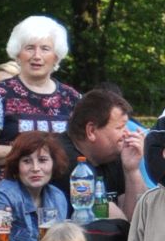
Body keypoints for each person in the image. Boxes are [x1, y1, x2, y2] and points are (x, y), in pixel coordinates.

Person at [0, 17, 79, 169]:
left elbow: (85, 148)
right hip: (13, 189)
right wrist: (34, 153)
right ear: (17, 54)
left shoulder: (72, 97)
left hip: (63, 190)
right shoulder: (0, 93)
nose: (36, 56)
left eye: (45, 49)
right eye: (29, 48)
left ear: (56, 57)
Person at [58, 86, 146, 220]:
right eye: (120, 127)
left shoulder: (111, 155)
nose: (127, 133)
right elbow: (117, 223)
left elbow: (139, 218)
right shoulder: (63, 158)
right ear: (91, 131)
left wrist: (132, 170)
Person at [0, 132, 70, 241]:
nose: (35, 168)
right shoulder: (2, 198)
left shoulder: (57, 196)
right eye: (27, 161)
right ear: (17, 166)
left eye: (42, 160)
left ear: (54, 163)